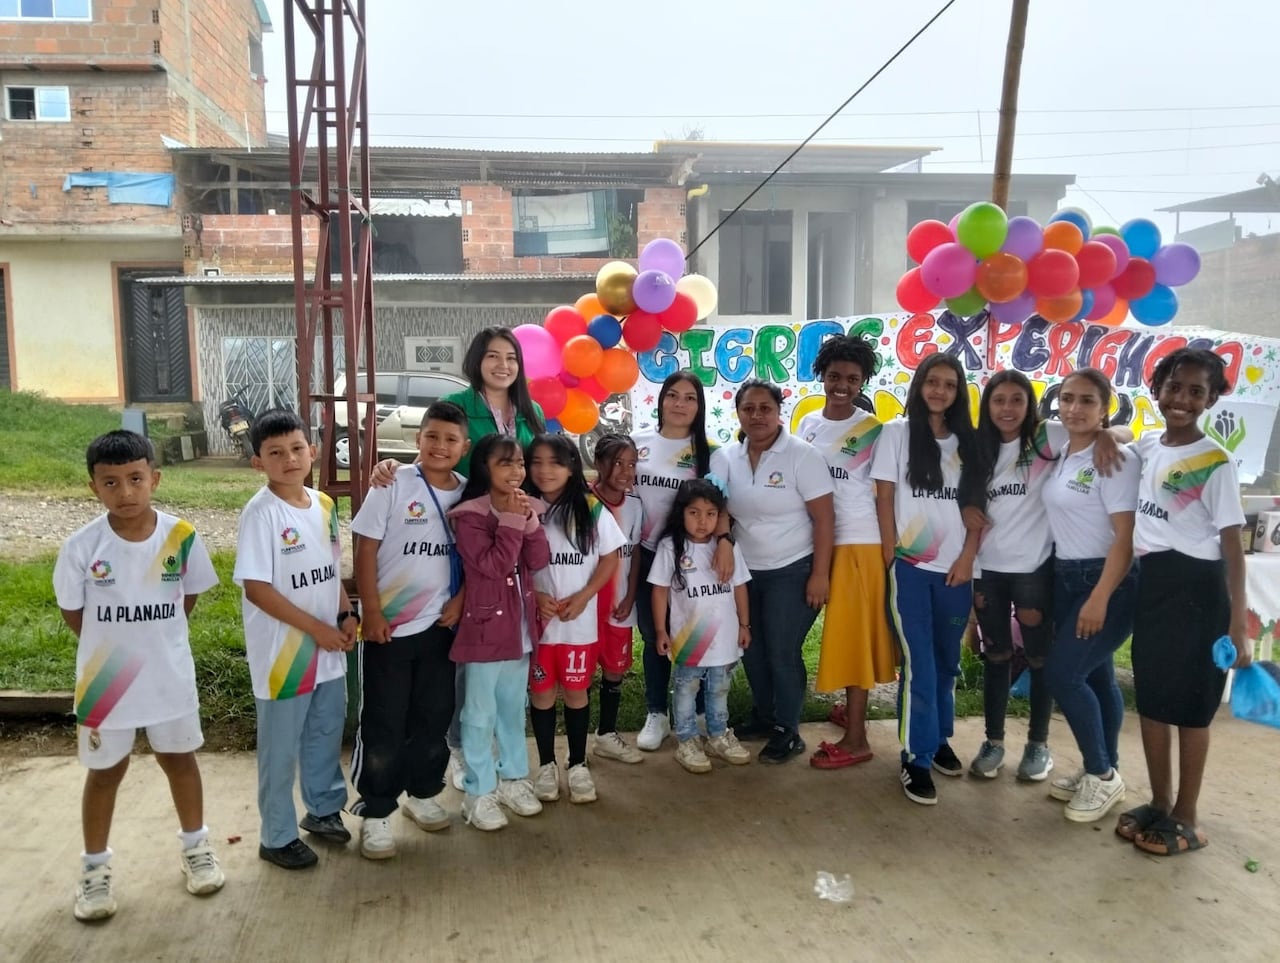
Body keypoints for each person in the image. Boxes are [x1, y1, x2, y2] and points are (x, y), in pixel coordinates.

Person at [53, 430, 225, 921]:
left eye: (135, 479)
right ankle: (94, 870)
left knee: (180, 760)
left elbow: (186, 600)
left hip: (169, 677)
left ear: (155, 477)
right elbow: (75, 614)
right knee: (105, 773)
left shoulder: (182, 536)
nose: (125, 492)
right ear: (94, 488)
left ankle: (197, 848)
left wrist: (156, 639)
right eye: (111, 483)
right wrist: (115, 647)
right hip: (106, 685)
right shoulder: (82, 547)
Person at [370, 326, 546, 788]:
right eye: (492, 356)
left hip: (514, 531)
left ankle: (496, 765)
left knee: (500, 679)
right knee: (469, 672)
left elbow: (544, 466)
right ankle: (463, 758)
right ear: (475, 361)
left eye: (511, 357)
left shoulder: (532, 411)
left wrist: (527, 516)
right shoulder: (461, 411)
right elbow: (432, 451)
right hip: (470, 525)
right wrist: (387, 466)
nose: (502, 365)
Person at [965, 372, 1128, 782]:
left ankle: (1038, 745)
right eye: (998, 400)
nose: (1007, 408)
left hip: (1036, 570)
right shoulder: (977, 446)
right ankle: (994, 741)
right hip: (988, 571)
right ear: (987, 405)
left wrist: (1110, 434)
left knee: (1042, 661)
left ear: (1031, 405)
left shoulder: (1046, 436)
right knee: (996, 658)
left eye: (1016, 400)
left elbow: (1108, 430)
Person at [1118, 349, 1248, 855]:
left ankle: (1188, 816)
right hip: (1153, 586)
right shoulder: (1150, 444)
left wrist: (1237, 625)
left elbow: (1233, 549)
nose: (1183, 399)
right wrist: (1111, 433)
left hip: (1199, 592)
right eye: (1175, 387)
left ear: (1211, 399)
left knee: (1193, 709)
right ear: (1157, 388)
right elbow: (1125, 437)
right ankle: (1159, 801)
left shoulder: (1216, 463)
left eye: (1196, 391)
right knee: (1152, 701)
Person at [234, 410, 357, 869]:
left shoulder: (323, 505)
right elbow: (257, 588)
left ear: (314, 450)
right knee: (280, 749)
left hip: (327, 649)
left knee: (325, 733)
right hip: (284, 655)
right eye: (275, 453)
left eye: (297, 449)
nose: (289, 459)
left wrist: (345, 614)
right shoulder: (261, 514)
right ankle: (277, 835)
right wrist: (317, 629)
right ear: (258, 463)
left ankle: (323, 810)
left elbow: (330, 571)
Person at [348, 401, 469, 860]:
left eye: (450, 439)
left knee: (434, 715)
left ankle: (422, 794)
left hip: (442, 627)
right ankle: (377, 812)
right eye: (431, 436)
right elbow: (365, 549)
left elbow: (474, 558)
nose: (440, 446)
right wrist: (371, 611)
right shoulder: (393, 483)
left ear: (464, 447)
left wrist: (459, 601)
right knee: (384, 720)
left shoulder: (467, 493)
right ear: (417, 439)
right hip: (389, 630)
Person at [871, 354, 986, 805]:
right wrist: (889, 551)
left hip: (958, 571)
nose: (940, 391)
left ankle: (938, 739)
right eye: (932, 382)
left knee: (946, 663)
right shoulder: (897, 435)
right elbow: (884, 496)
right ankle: (915, 757)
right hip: (912, 570)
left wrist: (969, 558)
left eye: (950, 385)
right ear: (919, 386)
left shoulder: (969, 443)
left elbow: (978, 509)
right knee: (919, 663)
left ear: (959, 393)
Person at [711, 379, 835, 764]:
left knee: (781, 649)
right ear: (739, 413)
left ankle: (788, 729)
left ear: (779, 411)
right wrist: (725, 541)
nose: (757, 416)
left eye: (765, 407)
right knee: (752, 648)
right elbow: (720, 510)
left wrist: (820, 574)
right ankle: (765, 718)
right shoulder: (726, 457)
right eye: (748, 408)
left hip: (793, 569)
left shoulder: (802, 455)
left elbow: (825, 519)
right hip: (746, 574)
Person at [1039, 369, 1139, 823]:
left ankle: (1100, 773)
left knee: (1064, 675)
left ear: (1105, 405)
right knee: (1096, 676)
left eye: (1087, 401)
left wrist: (1100, 597)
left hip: (1107, 581)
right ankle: (1106, 766)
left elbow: (1125, 537)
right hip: (1067, 576)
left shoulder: (1115, 457)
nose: (1074, 408)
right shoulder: (1064, 448)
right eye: (1067, 398)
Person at [796, 335, 896, 770]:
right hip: (816, 541)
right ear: (822, 375)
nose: (842, 385)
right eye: (834, 376)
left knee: (853, 639)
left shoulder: (876, 431)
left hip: (858, 542)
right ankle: (848, 711)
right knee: (838, 634)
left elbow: (887, 496)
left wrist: (888, 551)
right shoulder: (808, 425)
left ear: (863, 382)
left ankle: (856, 739)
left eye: (852, 379)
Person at [448, 434, 551, 832]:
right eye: (505, 464)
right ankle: (479, 791)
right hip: (485, 629)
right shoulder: (470, 516)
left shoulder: (524, 507)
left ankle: (512, 778)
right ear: (484, 469)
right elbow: (492, 565)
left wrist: (530, 521)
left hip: (520, 629)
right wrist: (510, 521)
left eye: (520, 463)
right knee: (478, 713)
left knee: (512, 708)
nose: (516, 471)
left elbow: (538, 559)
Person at [632, 370, 732, 751]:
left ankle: (703, 713)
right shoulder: (638, 442)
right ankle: (657, 712)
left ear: (699, 406)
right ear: (661, 401)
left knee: (700, 630)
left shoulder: (711, 452)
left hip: (696, 559)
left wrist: (723, 541)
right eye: (672, 395)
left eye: (690, 398)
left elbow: (721, 506)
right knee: (655, 633)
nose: (680, 404)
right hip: (646, 555)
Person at [525, 434, 625, 804]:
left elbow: (610, 557)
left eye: (555, 462)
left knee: (576, 691)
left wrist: (585, 597)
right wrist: (535, 596)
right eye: (536, 461)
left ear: (570, 467)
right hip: (537, 625)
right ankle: (547, 764)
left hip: (577, 625)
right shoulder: (524, 508)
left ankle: (578, 763)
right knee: (541, 693)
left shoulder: (591, 508)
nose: (544, 470)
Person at [649, 479, 753, 773]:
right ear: (681, 513)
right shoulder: (671, 547)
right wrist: (660, 631)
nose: (702, 521)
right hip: (689, 640)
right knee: (686, 688)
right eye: (694, 513)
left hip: (725, 638)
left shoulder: (728, 549)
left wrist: (745, 625)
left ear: (720, 517)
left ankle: (718, 735)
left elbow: (741, 588)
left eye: (711, 514)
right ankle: (687, 740)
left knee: (720, 688)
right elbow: (659, 590)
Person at [589, 433, 646, 765]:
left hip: (619, 604)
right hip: (585, 605)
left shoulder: (635, 504)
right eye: (617, 463)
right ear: (598, 463)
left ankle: (606, 733)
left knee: (614, 669)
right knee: (577, 674)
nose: (625, 471)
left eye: (632, 464)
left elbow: (635, 552)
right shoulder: (584, 502)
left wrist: (631, 594)